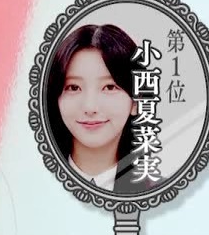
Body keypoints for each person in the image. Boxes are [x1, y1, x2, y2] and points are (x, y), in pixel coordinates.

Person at [44, 23, 157, 196]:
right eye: (74, 87)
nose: (90, 107)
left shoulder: (160, 196)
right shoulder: (29, 192)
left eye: (109, 87)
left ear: (136, 101)